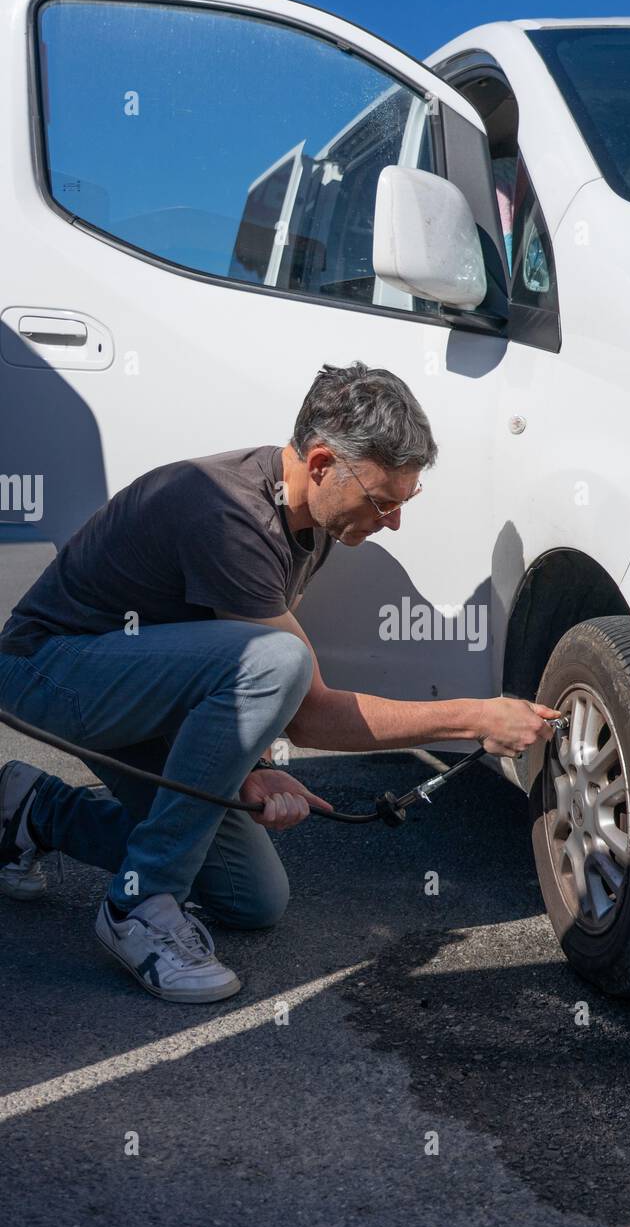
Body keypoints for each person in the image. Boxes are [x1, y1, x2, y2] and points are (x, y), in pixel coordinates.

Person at [0, 361, 557, 1004]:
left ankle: (33, 810)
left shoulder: (310, 524)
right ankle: (138, 907)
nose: (394, 522)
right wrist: (479, 719)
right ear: (321, 463)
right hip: (51, 672)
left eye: (406, 502)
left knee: (253, 898)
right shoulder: (227, 514)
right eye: (384, 501)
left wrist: (249, 764)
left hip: (135, 692)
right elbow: (309, 714)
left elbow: (217, 665)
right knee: (281, 663)